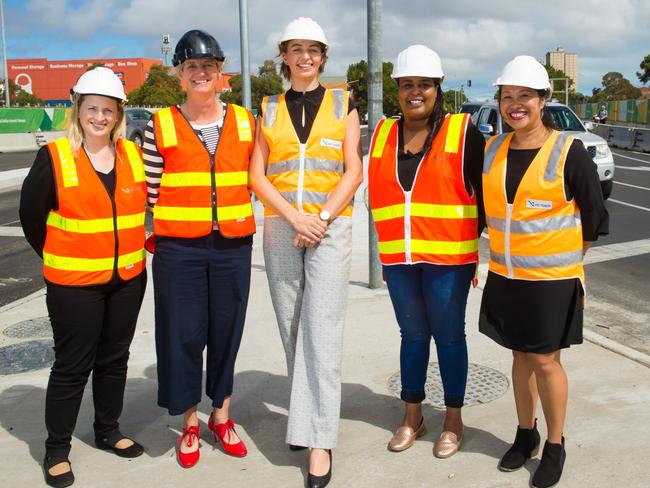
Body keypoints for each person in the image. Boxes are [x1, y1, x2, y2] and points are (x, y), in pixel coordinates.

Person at [480, 56, 609, 488]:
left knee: (545, 361)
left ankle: (554, 443)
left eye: (525, 97)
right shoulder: (493, 150)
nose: (515, 105)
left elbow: (594, 218)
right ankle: (525, 434)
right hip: (506, 275)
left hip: (552, 280)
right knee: (519, 356)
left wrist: (573, 267)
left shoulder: (568, 151)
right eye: (507, 96)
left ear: (543, 100)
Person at [20, 67, 147, 488]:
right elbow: (31, 218)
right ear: (78, 111)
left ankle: (108, 430)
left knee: (115, 359)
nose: (100, 117)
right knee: (73, 366)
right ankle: (57, 450)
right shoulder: (54, 157)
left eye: (108, 110)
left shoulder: (130, 154)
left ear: (118, 114)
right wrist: (61, 255)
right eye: (92, 108)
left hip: (128, 277)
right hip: (75, 285)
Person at [249, 17, 362, 488]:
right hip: (281, 226)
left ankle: (320, 440)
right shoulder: (269, 107)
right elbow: (257, 175)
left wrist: (320, 220)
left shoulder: (343, 102)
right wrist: (296, 218)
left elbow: (353, 170)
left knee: (323, 327)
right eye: (296, 49)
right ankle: (305, 416)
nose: (305, 57)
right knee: (292, 322)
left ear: (323, 56)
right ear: (284, 56)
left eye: (313, 49)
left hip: (330, 228)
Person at [143, 30, 256, 468]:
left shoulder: (246, 122)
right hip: (179, 250)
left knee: (226, 332)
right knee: (183, 334)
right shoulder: (162, 124)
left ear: (220, 72)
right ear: (180, 75)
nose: (201, 73)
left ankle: (221, 415)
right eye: (192, 66)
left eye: (208, 66)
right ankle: (190, 420)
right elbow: (151, 191)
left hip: (231, 246)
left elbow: (260, 176)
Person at [367, 45, 485, 459]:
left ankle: (453, 420)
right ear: (398, 89)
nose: (415, 92)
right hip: (400, 260)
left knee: (450, 338)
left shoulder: (463, 131)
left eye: (424, 84)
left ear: (438, 88)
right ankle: (412, 415)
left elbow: (484, 197)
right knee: (413, 336)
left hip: (450, 262)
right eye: (407, 85)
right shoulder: (381, 133)